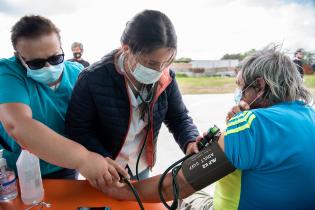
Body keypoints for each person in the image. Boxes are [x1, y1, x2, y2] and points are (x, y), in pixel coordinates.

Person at [102, 46, 315, 210]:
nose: (239, 93)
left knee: (189, 196)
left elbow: (177, 185)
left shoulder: (252, 124)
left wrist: (122, 191)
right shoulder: (309, 115)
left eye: (241, 86)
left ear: (259, 86)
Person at [65, 10, 200, 182]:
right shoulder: (92, 78)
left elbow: (179, 117)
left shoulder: (166, 79)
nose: (159, 70)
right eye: (151, 63)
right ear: (126, 49)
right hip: (105, 167)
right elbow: (78, 128)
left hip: (140, 166)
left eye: (166, 62)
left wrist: (190, 140)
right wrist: (102, 160)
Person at [0, 15, 128, 183]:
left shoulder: (77, 73)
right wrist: (84, 159)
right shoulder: (8, 73)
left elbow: (92, 122)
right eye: (36, 63)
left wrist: (101, 155)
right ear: (19, 58)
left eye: (55, 58)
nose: (49, 67)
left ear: (61, 47)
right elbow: (17, 125)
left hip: (65, 168)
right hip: (19, 171)